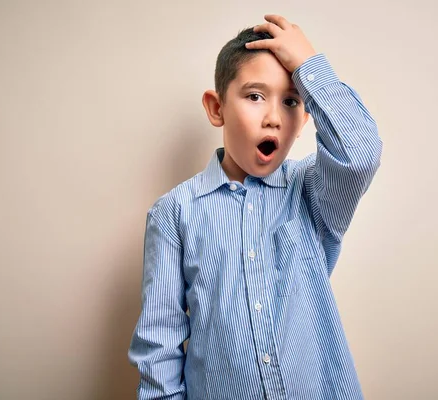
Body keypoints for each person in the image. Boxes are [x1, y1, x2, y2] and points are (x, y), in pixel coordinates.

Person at [128, 14, 383, 400]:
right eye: (254, 96)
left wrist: (309, 66)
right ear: (217, 109)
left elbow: (361, 153)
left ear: (304, 119)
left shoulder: (312, 192)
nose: (273, 118)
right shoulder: (175, 213)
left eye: (291, 101)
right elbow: (158, 352)